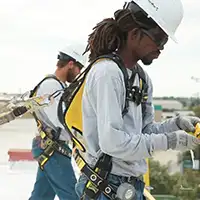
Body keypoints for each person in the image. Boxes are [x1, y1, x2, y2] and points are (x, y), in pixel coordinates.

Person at [75, 1, 200, 200]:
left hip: (131, 186)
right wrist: (170, 141)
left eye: (165, 41)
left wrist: (175, 124)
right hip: (106, 185)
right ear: (134, 34)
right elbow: (112, 142)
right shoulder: (107, 73)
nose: (161, 48)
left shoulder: (141, 79)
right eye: (158, 39)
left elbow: (143, 131)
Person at [29, 44, 86, 200]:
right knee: (72, 196)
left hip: (50, 147)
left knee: (41, 196)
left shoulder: (58, 86)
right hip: (51, 148)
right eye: (79, 68)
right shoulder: (51, 86)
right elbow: (62, 121)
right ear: (71, 64)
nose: (79, 73)